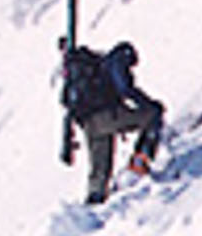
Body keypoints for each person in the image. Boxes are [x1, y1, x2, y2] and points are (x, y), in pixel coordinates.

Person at [63, 40, 164, 205]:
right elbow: (125, 89)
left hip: (88, 123)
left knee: (99, 169)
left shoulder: (92, 70)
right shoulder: (117, 61)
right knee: (152, 116)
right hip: (106, 117)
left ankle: (93, 203)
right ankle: (139, 162)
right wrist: (149, 104)